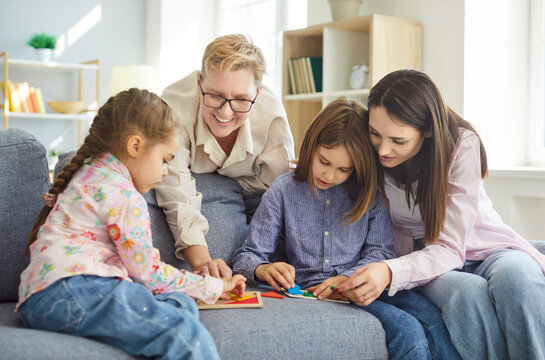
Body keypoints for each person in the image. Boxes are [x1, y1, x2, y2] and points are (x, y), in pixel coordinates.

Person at [17, 88, 247, 360]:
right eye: (164, 160)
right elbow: (146, 273)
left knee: (181, 305)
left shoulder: (90, 174)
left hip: (43, 296)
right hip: (74, 290)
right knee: (184, 333)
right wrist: (213, 287)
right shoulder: (124, 195)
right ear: (135, 146)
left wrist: (193, 291)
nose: (164, 172)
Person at [334, 69, 545, 360]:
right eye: (375, 133)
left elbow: (451, 247)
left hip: (484, 246)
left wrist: (390, 271)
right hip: (424, 257)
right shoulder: (371, 151)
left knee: (519, 277)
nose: (382, 149)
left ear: (428, 131)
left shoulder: (461, 144)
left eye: (398, 140)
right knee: (466, 294)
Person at [232, 97, 460, 360]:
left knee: (434, 320)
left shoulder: (368, 194)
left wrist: (350, 278)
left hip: (365, 287)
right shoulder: (283, 191)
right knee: (407, 330)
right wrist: (262, 268)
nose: (330, 176)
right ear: (311, 145)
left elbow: (380, 251)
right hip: (317, 293)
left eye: (344, 169)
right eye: (324, 161)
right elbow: (247, 256)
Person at [156, 34, 295, 278]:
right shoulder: (174, 108)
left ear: (258, 94)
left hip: (257, 197)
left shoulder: (272, 117)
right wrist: (203, 264)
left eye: (241, 99)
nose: (225, 111)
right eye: (215, 96)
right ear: (199, 83)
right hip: (193, 187)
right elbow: (177, 193)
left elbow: (282, 193)